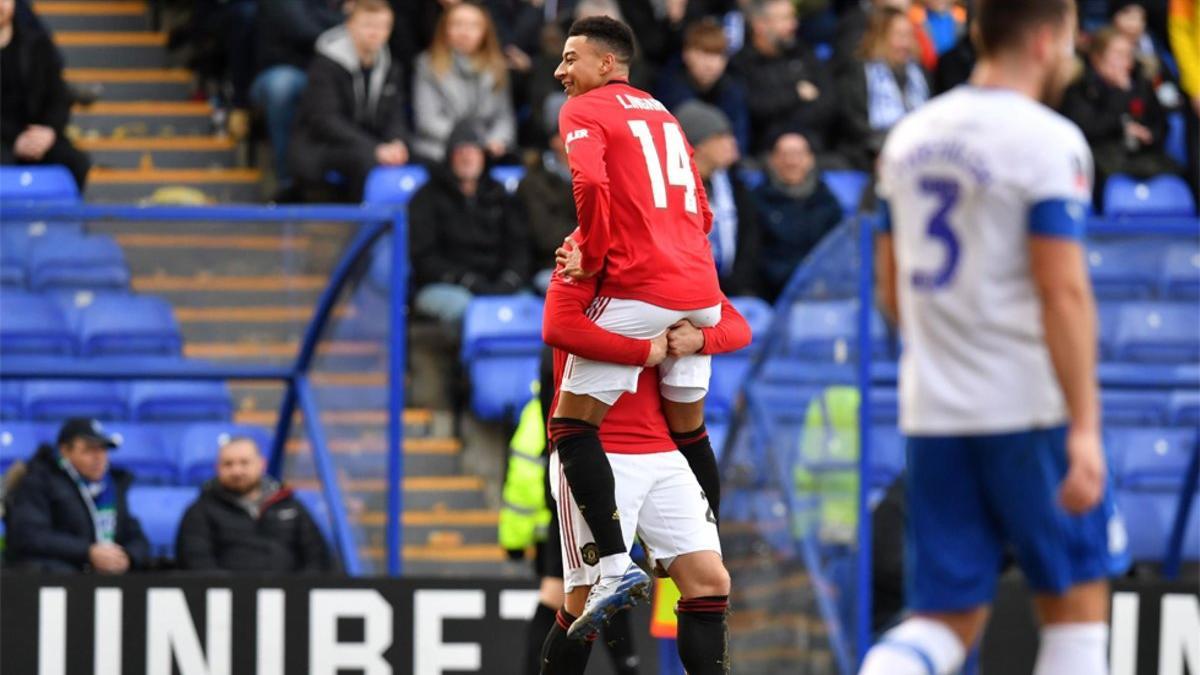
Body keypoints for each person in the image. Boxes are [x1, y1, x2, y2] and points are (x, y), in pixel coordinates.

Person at [863, 2, 1131, 674]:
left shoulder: (909, 137)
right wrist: (1087, 427)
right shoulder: (1047, 139)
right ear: (1047, 39)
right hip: (1028, 407)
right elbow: (1062, 290)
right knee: (1074, 608)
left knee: (943, 618)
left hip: (934, 411)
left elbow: (891, 290)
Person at [549, 15, 729, 638]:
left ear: (606, 63)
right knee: (692, 429)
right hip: (699, 289)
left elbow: (590, 179)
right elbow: (702, 208)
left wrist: (596, 254)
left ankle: (614, 564)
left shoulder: (585, 109)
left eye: (571, 58)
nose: (560, 70)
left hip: (642, 282)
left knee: (570, 425)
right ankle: (705, 533)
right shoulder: (664, 113)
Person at [539, 226, 751, 674]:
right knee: (583, 600)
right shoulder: (583, 257)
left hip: (662, 452)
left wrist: (701, 339)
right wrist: (642, 349)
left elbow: (736, 325)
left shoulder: (677, 269)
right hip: (596, 450)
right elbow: (558, 328)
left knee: (710, 582)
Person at [409, 121, 530, 324]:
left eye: (473, 150)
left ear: (483, 155)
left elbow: (520, 247)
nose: (467, 157)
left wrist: (509, 280)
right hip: (448, 285)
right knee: (469, 312)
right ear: (449, 157)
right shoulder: (427, 196)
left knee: (532, 310)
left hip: (499, 282)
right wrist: (465, 280)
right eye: (460, 151)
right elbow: (423, 258)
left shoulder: (500, 195)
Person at [290, 0, 411, 201]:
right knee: (365, 159)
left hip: (367, 143)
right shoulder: (325, 65)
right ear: (350, 25)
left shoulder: (391, 67)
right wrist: (376, 148)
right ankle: (361, 226)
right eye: (369, 25)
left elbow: (395, 116)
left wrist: (397, 143)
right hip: (322, 147)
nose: (376, 32)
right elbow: (326, 121)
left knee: (422, 158)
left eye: (383, 26)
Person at [5, 419, 149, 573]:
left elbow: (137, 537)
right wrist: (87, 552)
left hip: (107, 582)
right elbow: (30, 536)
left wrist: (127, 557)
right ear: (65, 451)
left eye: (103, 449)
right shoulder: (38, 482)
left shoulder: (113, 486)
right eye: (89, 450)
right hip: (57, 581)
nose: (99, 457)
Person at [176, 436, 333, 573]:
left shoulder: (291, 506)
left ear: (261, 464)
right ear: (217, 468)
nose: (236, 471)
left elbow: (317, 559)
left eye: (244, 463)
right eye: (228, 464)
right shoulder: (200, 511)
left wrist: (298, 592)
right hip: (225, 601)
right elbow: (196, 564)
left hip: (291, 599)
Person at [1061, 27, 1178, 207]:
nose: (1126, 62)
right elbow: (1085, 128)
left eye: (1128, 55)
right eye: (1118, 54)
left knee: (1176, 175)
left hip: (1143, 156)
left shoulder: (1141, 85)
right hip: (1100, 157)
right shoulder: (1081, 88)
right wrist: (1119, 103)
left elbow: (1161, 125)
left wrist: (1148, 135)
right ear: (1097, 58)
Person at [251, 0, 345, 200]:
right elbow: (302, 29)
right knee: (283, 86)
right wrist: (346, 22)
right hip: (279, 72)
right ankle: (287, 179)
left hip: (326, 72)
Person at [0, 0, 90, 190]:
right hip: (4, 138)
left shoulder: (38, 45)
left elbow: (58, 96)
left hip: (36, 135)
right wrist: (14, 139)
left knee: (75, 162)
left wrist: (48, 132)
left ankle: (69, 218)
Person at [729, 0, 839, 155]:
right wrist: (795, 94)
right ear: (760, 25)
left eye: (793, 18)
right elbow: (755, 108)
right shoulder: (741, 63)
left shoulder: (803, 53)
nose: (794, 25)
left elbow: (828, 101)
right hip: (763, 153)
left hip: (812, 148)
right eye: (785, 19)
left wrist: (792, 126)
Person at [675, 101, 760, 298]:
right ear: (700, 144)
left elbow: (749, 242)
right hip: (685, 291)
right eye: (721, 137)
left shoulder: (735, 185)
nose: (732, 143)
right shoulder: (671, 188)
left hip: (729, 290)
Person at [411, 2, 516, 162]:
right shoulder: (426, 65)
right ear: (444, 30)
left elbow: (504, 118)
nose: (464, 32)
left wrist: (496, 140)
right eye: (457, 24)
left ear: (485, 32)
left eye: (473, 26)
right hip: (440, 151)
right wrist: (469, 142)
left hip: (487, 152)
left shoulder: (497, 67)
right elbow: (427, 121)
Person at [753, 130, 844, 302]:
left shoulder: (827, 201)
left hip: (821, 293)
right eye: (784, 155)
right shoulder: (757, 201)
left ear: (811, 160)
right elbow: (754, 258)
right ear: (772, 160)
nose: (791, 162)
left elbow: (837, 253)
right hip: (772, 294)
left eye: (798, 154)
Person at [837, 6, 931, 171]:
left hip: (919, 152)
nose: (906, 44)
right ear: (880, 36)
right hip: (870, 154)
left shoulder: (920, 73)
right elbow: (854, 122)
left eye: (910, 36)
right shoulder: (859, 72)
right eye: (900, 36)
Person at [654, 18, 752, 156]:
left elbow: (739, 142)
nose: (710, 64)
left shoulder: (732, 89)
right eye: (703, 54)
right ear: (686, 54)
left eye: (717, 55)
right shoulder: (668, 85)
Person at [518, 95, 578, 294]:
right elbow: (546, 238)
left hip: (600, 264)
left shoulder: (603, 176)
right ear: (554, 140)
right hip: (551, 266)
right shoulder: (533, 183)